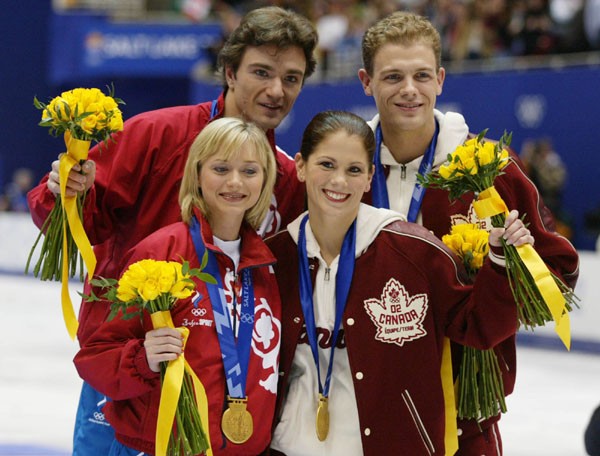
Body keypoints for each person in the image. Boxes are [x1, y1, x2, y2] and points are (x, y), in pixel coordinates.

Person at [26, 6, 317, 454]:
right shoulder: (156, 134)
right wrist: (65, 193)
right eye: (262, 72)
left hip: (220, 392)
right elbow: (76, 220)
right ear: (230, 72)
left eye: (291, 78)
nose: (276, 90)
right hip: (129, 376)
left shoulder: (285, 179)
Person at [356, 11, 579, 455]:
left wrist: (497, 279)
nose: (409, 89)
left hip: (463, 411)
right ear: (366, 82)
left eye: (422, 75)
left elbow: (556, 269)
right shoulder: (345, 169)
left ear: (440, 79)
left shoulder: (490, 167)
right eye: (393, 76)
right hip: (364, 405)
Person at [266, 110, 534, 456]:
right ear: (301, 166)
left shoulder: (415, 252)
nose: (339, 181)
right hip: (289, 448)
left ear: (369, 177)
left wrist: (500, 262)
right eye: (327, 165)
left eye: (354, 170)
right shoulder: (276, 258)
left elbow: (479, 326)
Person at [74, 117, 281, 455]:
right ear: (197, 173)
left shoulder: (267, 266)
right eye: (221, 168)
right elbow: (95, 356)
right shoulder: (161, 252)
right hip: (159, 447)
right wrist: (142, 358)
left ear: (265, 179)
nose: (235, 181)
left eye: (249, 171)